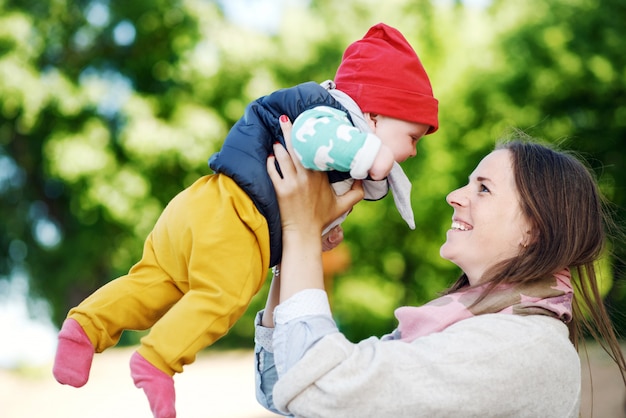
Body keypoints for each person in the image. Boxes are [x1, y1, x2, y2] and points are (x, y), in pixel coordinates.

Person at [51, 23, 439, 418]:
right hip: (237, 220)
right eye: (413, 137)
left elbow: (302, 199)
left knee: (154, 282)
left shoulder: (338, 141)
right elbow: (308, 136)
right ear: (373, 116)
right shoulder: (331, 114)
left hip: (202, 203)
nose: (412, 152)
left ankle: (84, 328)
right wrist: (372, 156)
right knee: (223, 295)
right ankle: (157, 360)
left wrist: (320, 231)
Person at [254, 118, 626, 417]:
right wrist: (297, 252)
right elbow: (281, 385)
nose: (454, 196)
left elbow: (319, 387)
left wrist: (300, 230)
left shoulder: (519, 346)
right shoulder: (479, 326)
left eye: (483, 189)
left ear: (534, 228)